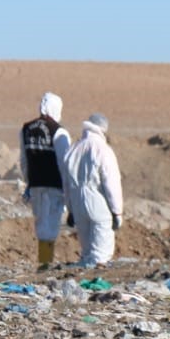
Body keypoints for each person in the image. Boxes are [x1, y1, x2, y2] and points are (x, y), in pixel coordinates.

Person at [63, 113, 124, 266]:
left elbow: (67, 184)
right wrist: (117, 211)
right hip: (98, 201)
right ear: (102, 130)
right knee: (101, 253)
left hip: (77, 202)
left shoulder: (73, 149)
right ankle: (95, 281)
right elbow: (111, 183)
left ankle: (82, 278)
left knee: (87, 249)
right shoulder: (103, 150)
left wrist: (70, 208)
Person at [19, 92, 71, 268]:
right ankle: (46, 262)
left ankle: (44, 260)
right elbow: (65, 163)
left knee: (41, 223)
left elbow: (24, 160)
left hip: (35, 185)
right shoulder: (58, 131)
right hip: (54, 185)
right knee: (51, 224)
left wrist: (29, 182)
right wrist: (67, 188)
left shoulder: (26, 129)